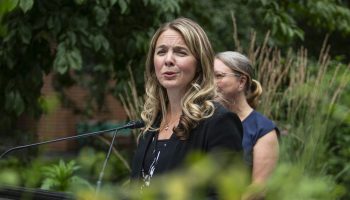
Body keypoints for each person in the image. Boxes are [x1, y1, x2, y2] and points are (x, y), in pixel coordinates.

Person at [130, 18, 243, 190]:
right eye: (161, 52)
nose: (168, 60)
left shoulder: (218, 121)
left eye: (180, 52)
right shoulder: (152, 123)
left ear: (199, 63)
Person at [214, 51, 279, 185]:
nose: (211, 83)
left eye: (218, 76)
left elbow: (258, 190)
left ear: (241, 82)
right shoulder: (206, 120)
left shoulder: (263, 130)